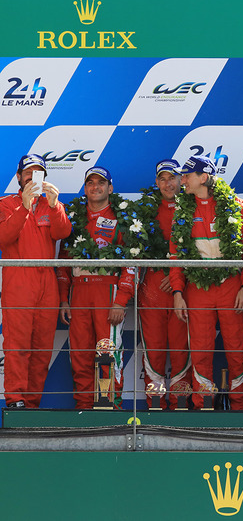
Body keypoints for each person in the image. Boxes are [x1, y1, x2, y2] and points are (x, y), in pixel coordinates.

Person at [170, 156, 243, 410]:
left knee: (236, 348)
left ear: (204, 177)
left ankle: (241, 408)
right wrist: (178, 291)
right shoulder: (182, 209)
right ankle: (203, 407)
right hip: (197, 288)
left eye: (187, 175)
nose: (182, 180)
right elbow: (175, 255)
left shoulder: (235, 205)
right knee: (200, 349)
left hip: (231, 285)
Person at [58, 166, 136, 409]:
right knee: (80, 354)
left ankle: (110, 406)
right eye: (90, 183)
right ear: (85, 188)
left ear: (110, 188)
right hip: (79, 292)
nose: (95, 187)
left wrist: (120, 301)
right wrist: (64, 299)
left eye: (101, 182)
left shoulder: (122, 219)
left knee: (108, 352)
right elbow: (62, 263)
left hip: (108, 292)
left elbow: (132, 263)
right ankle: (83, 406)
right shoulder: (72, 220)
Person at [0, 154, 71, 408]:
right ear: (18, 177)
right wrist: (24, 206)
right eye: (27, 173)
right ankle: (15, 399)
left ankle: (31, 404)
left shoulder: (50, 205)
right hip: (18, 282)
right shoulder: (6, 204)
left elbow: (62, 233)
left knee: (41, 349)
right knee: (17, 346)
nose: (32, 177)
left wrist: (55, 205)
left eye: (37, 172)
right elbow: (3, 238)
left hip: (47, 283)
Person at [136, 160, 190, 409]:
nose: (168, 183)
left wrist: (179, 275)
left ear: (182, 180)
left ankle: (180, 404)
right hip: (153, 289)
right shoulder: (146, 211)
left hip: (184, 289)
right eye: (163, 179)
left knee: (181, 351)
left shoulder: (192, 207)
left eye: (172, 178)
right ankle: (155, 405)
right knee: (154, 352)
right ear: (156, 183)